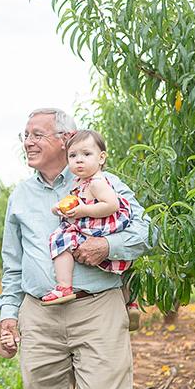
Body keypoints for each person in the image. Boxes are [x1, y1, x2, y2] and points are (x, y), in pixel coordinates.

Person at [0, 108, 153, 389]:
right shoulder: (21, 197)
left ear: (65, 140)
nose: (27, 142)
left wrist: (107, 244)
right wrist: (9, 315)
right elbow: (12, 264)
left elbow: (147, 232)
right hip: (40, 311)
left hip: (97, 304)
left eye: (37, 135)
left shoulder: (98, 180)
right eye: (24, 135)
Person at [42, 130, 133, 304]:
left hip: (99, 225)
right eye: (73, 155)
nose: (79, 159)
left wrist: (84, 211)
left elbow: (111, 205)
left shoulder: (97, 182)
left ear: (101, 158)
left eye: (86, 154)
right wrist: (60, 208)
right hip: (90, 224)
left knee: (61, 239)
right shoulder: (81, 182)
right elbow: (75, 201)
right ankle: (129, 300)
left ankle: (63, 286)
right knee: (63, 238)